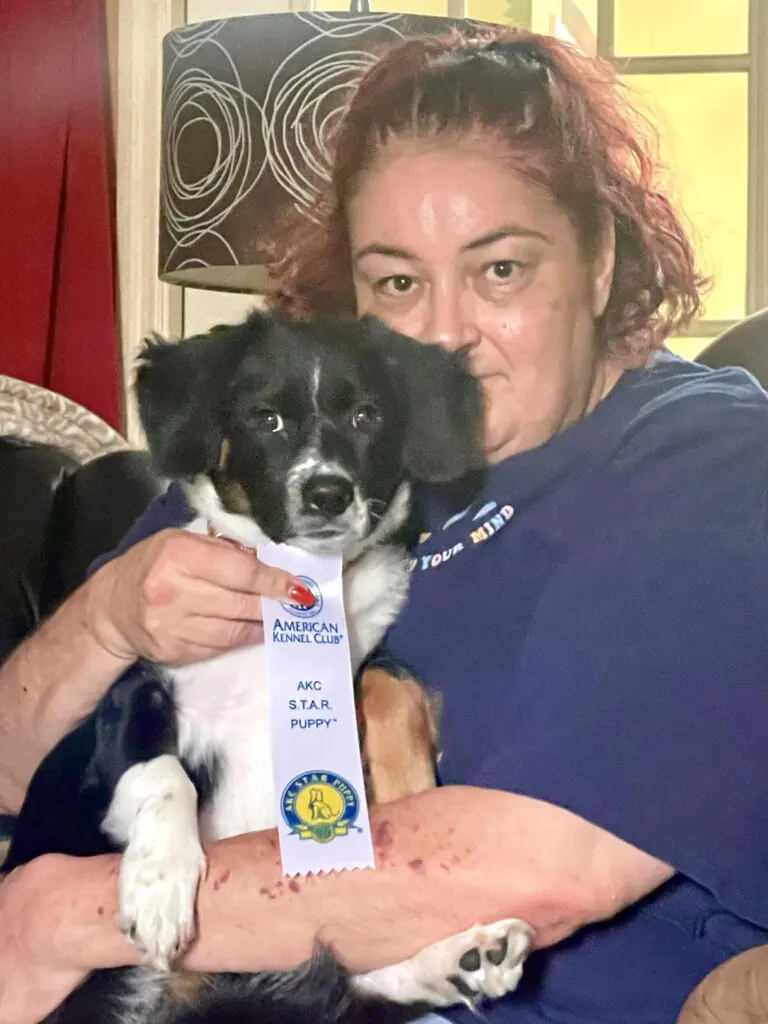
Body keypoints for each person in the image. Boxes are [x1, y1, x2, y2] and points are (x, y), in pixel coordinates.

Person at [1, 25, 768, 1024]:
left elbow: (538, 871)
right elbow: (14, 768)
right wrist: (107, 619)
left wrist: (70, 915)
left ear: (598, 258)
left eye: (500, 270)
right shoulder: (309, 459)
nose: (444, 332)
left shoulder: (711, 467)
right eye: (399, 282)